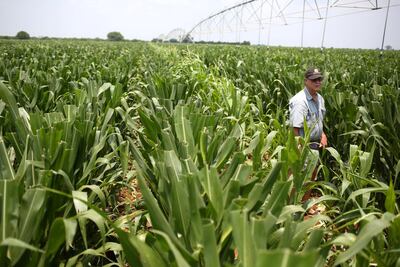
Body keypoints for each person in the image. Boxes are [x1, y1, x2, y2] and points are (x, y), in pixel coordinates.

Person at [289, 67, 328, 203]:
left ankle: (304, 206)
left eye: (319, 79)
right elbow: (295, 129)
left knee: (311, 176)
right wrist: (299, 149)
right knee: (297, 176)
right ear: (306, 81)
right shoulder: (300, 101)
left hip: (314, 146)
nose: (318, 82)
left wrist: (322, 134)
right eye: (314, 80)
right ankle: (291, 205)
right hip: (303, 145)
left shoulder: (320, 99)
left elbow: (318, 120)